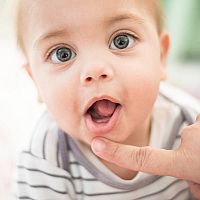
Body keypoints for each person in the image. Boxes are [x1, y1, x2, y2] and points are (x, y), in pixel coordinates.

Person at [15, 0, 200, 199]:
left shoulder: (189, 125)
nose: (95, 70)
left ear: (161, 56)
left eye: (122, 40)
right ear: (36, 82)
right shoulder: (45, 157)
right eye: (63, 54)